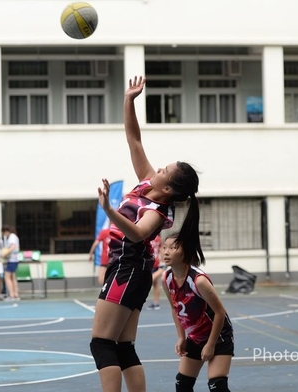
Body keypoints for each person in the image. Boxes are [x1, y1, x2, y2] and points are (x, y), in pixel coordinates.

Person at [90, 76, 203, 392]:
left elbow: (138, 234)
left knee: (102, 343)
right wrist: (129, 100)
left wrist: (109, 210)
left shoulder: (157, 211)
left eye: (165, 171)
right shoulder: (146, 183)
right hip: (130, 271)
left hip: (128, 270)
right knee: (123, 347)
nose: (159, 169)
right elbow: (134, 140)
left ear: (167, 189)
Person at [161, 233, 234, 392]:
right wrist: (181, 337)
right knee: (182, 384)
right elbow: (174, 308)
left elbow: (220, 313)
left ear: (186, 252)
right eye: (164, 247)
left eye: (173, 248)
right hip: (195, 337)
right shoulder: (166, 278)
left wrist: (211, 344)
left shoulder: (198, 280)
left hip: (218, 336)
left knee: (217, 386)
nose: (166, 252)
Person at [0, 225, 20, 301]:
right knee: (13, 277)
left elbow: (12, 247)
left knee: (7, 277)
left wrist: (4, 254)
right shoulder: (13, 237)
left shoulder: (12, 237)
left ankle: (11, 295)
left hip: (12, 260)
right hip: (14, 259)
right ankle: (15, 294)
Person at [146, 235, 163, 310]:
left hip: (152, 262)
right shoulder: (157, 238)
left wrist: (162, 262)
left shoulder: (152, 237)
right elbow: (160, 250)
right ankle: (156, 303)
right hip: (153, 262)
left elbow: (161, 250)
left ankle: (156, 303)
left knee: (151, 282)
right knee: (155, 284)